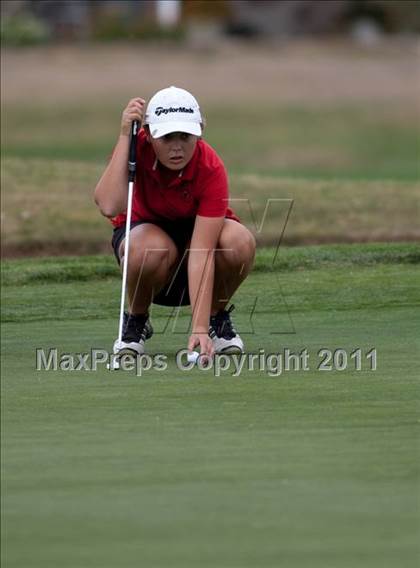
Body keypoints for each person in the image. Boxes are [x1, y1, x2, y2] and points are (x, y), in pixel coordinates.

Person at [94, 86, 256, 359]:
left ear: (200, 131)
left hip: (198, 249)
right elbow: (109, 205)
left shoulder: (210, 167)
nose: (177, 146)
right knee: (146, 247)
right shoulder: (137, 148)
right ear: (148, 133)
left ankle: (216, 320)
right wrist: (125, 136)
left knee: (239, 242)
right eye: (167, 137)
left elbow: (202, 251)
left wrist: (200, 328)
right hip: (147, 251)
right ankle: (136, 320)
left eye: (186, 136)